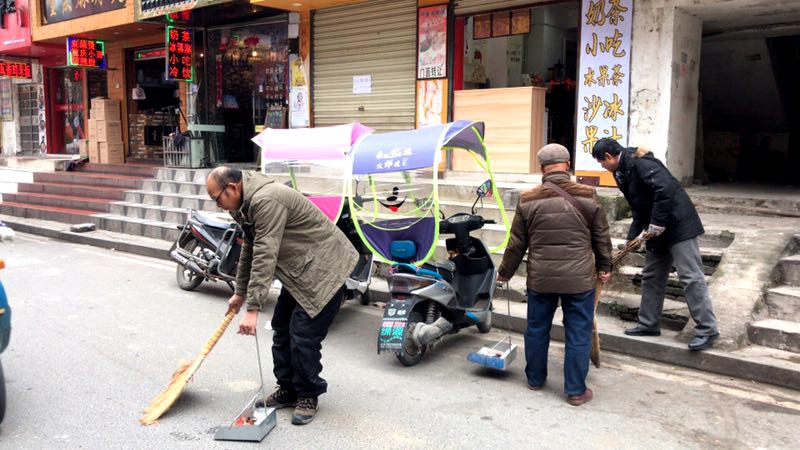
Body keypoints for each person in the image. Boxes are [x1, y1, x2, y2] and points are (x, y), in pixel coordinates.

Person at [206, 167, 358, 425]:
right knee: (281, 327)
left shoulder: (266, 200)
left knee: (302, 334)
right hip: (299, 270)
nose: (217, 205)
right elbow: (250, 248)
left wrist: (253, 308)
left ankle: (308, 394)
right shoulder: (243, 204)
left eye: (216, 198)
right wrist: (240, 293)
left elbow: (265, 253)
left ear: (232, 187)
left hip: (325, 268)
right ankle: (288, 388)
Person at [497, 144, 612, 406]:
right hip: (579, 280)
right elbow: (601, 236)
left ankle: (535, 379)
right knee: (578, 333)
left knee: (537, 329)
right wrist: (605, 266)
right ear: (568, 165)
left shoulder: (528, 199)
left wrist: (505, 273)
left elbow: (517, 243)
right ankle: (575, 391)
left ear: (542, 169)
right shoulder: (588, 194)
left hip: (541, 279)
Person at [591, 138, 719, 351]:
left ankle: (707, 329)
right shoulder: (621, 172)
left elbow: (665, 190)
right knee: (652, 276)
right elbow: (637, 206)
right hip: (655, 230)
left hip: (678, 226)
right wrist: (632, 238)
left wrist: (658, 222)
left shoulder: (642, 163)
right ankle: (648, 324)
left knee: (691, 277)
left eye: (601, 162)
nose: (602, 166)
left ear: (609, 157)